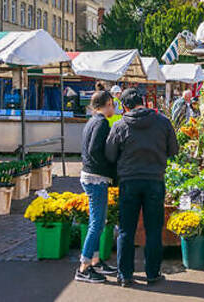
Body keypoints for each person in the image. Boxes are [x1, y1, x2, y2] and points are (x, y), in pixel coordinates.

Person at [106, 88, 179, 287]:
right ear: (144, 102)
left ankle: (125, 275)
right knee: (154, 229)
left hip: (129, 181)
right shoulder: (163, 122)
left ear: (125, 106)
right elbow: (174, 149)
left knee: (126, 230)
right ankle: (152, 273)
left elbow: (110, 154)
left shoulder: (120, 125)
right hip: (154, 181)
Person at [75, 91, 118, 283]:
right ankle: (83, 268)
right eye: (112, 104)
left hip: (90, 175)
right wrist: (110, 168)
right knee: (96, 224)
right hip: (96, 177)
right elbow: (94, 151)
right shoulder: (101, 123)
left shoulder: (92, 120)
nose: (114, 108)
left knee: (98, 222)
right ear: (106, 104)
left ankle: (95, 261)